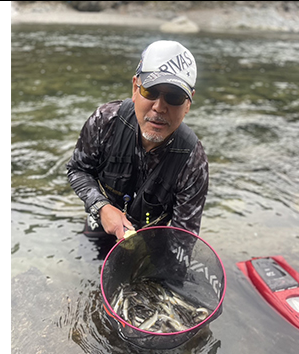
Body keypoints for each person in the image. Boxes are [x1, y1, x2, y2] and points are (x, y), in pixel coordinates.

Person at [66, 40, 209, 240]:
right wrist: (101, 207)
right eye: (150, 92)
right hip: (102, 219)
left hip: (150, 236)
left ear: (188, 104)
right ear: (135, 88)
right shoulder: (105, 122)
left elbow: (183, 238)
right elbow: (78, 169)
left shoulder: (193, 163)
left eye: (175, 97)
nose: (159, 107)